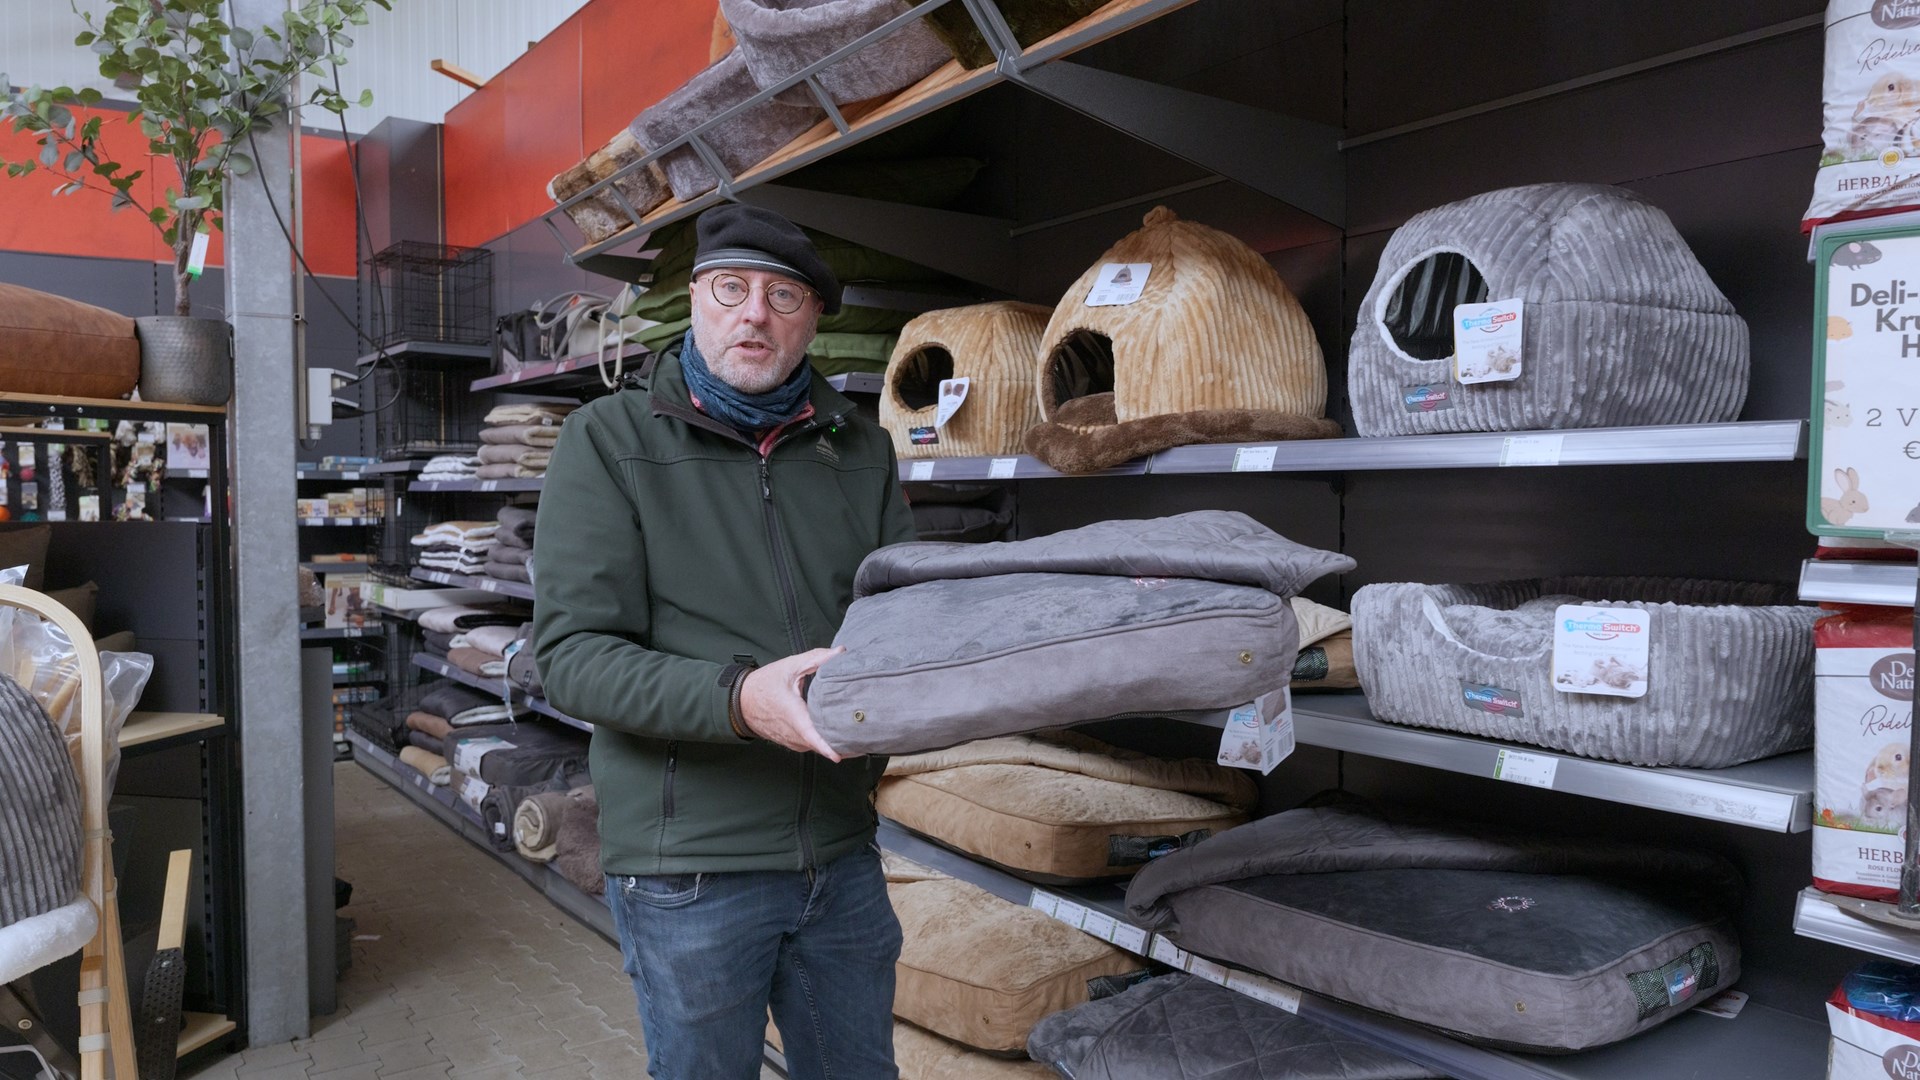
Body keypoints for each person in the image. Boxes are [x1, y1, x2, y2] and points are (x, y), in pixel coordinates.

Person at [531, 203, 915, 1080]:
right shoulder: (610, 441)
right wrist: (740, 700)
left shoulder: (860, 449)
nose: (755, 314)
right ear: (697, 300)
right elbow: (575, 658)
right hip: (690, 869)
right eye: (731, 289)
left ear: (815, 319)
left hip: (840, 853)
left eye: (784, 296)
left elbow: (898, 617)